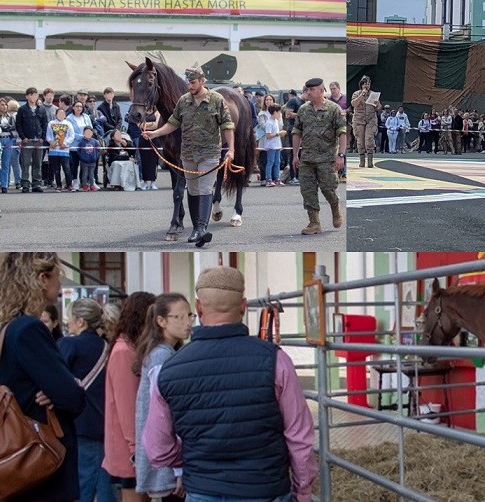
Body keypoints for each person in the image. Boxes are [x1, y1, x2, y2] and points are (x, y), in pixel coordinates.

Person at [143, 267, 317, 502]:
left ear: (199, 307)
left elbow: (157, 449)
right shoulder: (276, 361)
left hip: (202, 490)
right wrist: (302, 490)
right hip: (266, 489)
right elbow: (299, 436)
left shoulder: (168, 370)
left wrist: (193, 456)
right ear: (244, 306)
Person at [0, 252, 86, 501]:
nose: (60, 285)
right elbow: (72, 398)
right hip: (39, 464)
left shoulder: (5, 329)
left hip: (16, 460)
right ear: (42, 279)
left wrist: (54, 391)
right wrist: (62, 389)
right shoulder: (30, 329)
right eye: (57, 277)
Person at [143, 65, 235, 246]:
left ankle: (202, 228)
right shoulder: (184, 101)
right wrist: (156, 133)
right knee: (192, 190)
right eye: (188, 83)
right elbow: (173, 123)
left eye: (193, 83)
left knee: (205, 188)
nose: (190, 86)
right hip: (188, 154)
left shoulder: (217, 100)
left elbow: (227, 125)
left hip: (209, 153)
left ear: (202, 81)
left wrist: (231, 149)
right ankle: (195, 229)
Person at [134, 293, 192, 501]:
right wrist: (178, 470)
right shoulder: (162, 356)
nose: (187, 323)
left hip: (163, 461)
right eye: (180, 317)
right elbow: (165, 413)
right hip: (167, 466)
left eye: (190, 316)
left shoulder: (165, 352)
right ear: (161, 321)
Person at [58, 298, 117, 502]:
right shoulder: (107, 346)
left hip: (81, 423)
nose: (68, 324)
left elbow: (57, 378)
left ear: (81, 321)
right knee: (106, 486)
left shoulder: (69, 345)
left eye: (70, 319)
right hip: (104, 423)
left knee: (83, 485)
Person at [102, 291, 157, 502]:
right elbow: (127, 407)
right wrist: (136, 451)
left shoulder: (129, 347)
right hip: (130, 452)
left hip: (133, 449)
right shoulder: (124, 351)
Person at [292, 78, 346, 235]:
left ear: (321, 91)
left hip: (327, 158)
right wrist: (295, 155)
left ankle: (335, 208)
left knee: (328, 189)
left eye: (311, 90)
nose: (308, 92)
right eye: (307, 90)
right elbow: (296, 132)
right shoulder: (303, 110)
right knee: (307, 191)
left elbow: (342, 132)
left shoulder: (333, 109)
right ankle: (314, 223)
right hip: (307, 158)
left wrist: (341, 155)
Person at [46, 107, 76, 192]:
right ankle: (58, 185)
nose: (61, 115)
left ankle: (69, 185)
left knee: (67, 168)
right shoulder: (51, 123)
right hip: (54, 150)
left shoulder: (68, 124)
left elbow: (71, 136)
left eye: (63, 114)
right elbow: (48, 135)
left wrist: (65, 143)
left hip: (64, 150)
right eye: (59, 114)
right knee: (56, 169)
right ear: (55, 115)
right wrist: (51, 142)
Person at [263, 104, 285, 187]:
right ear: (275, 112)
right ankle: (269, 179)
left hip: (276, 145)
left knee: (277, 162)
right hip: (271, 146)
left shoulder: (276, 121)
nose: (279, 113)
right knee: (270, 162)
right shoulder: (269, 122)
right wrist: (277, 134)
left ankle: (277, 179)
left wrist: (280, 145)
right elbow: (268, 135)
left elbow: (277, 135)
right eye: (279, 112)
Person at [76, 126, 102, 191]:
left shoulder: (95, 141)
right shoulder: (82, 142)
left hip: (93, 161)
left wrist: (96, 157)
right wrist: (82, 157)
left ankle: (92, 185)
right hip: (84, 161)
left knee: (91, 175)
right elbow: (78, 150)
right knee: (84, 174)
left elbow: (98, 150)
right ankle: (84, 185)